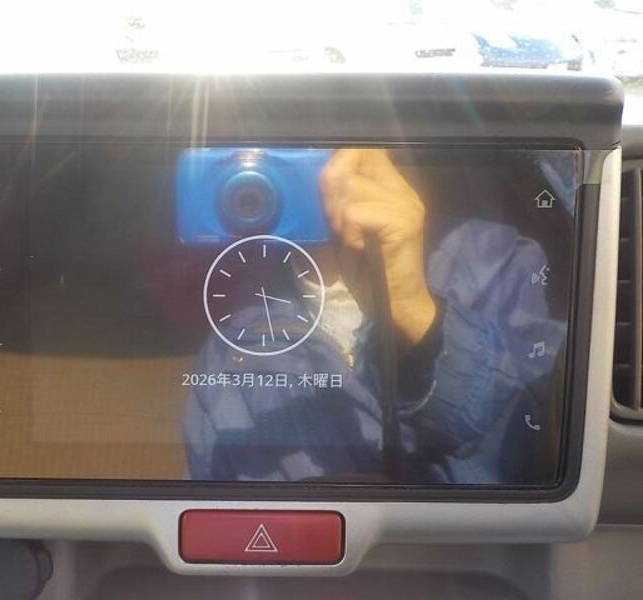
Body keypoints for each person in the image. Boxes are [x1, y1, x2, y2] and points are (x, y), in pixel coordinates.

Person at [183, 149, 567, 484]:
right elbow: (217, 515)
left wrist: (418, 316)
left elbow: (551, 448)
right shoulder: (227, 353)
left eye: (339, 125)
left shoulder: (497, 260)